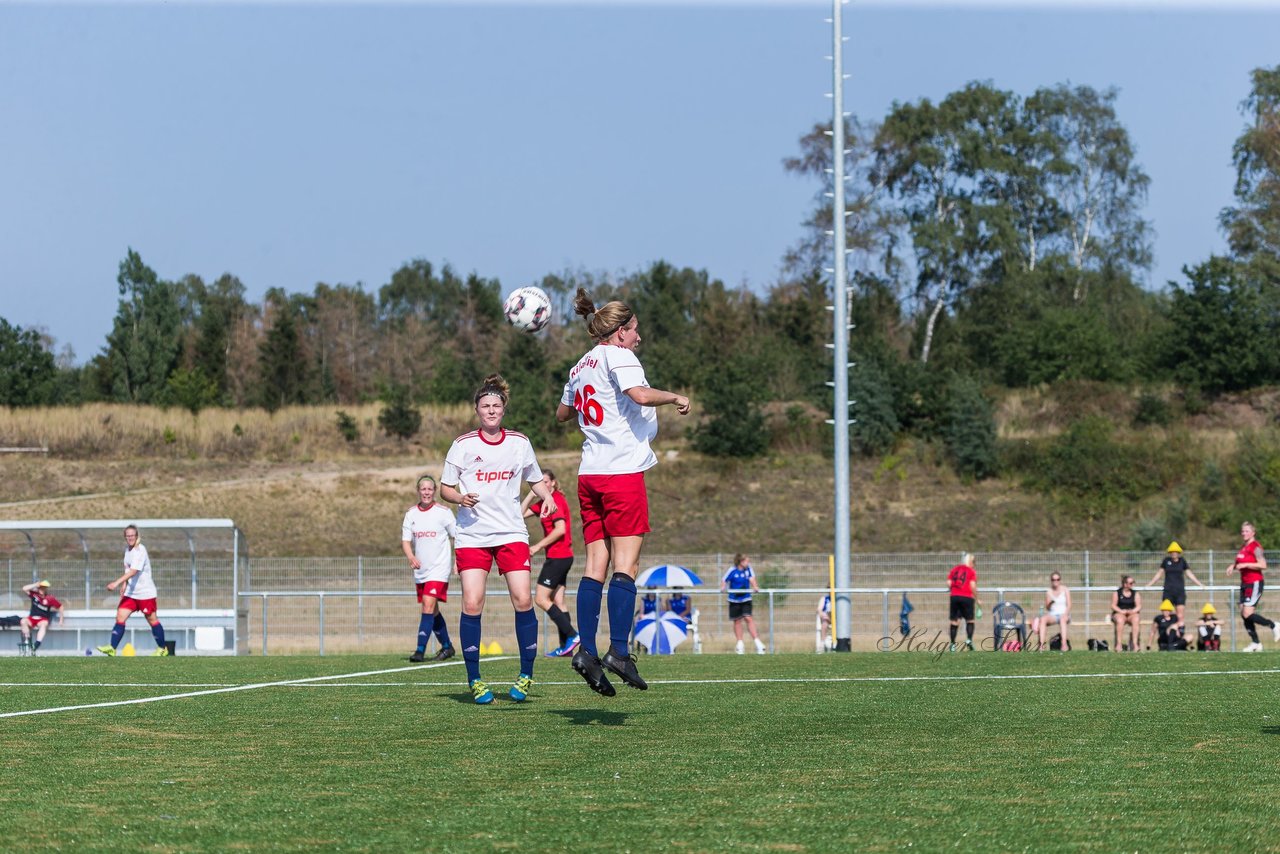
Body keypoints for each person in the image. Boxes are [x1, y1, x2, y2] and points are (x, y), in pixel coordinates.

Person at [556, 287, 691, 696]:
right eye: (633, 330)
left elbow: (562, 414)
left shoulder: (580, 366)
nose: (638, 338)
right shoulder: (619, 356)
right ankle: (618, 651)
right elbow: (639, 394)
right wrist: (675, 397)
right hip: (620, 473)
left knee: (595, 564)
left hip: (590, 473)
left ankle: (586, 652)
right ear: (617, 332)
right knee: (625, 567)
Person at [440, 374, 556, 704]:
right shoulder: (463, 445)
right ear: (477, 410)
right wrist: (459, 498)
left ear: (503, 409)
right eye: (485, 406)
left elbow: (535, 480)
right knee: (472, 603)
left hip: (510, 532)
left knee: (522, 599)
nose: (491, 410)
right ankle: (475, 679)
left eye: (496, 405)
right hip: (472, 535)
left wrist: (545, 496)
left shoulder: (519, 443)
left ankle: (525, 675)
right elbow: (446, 487)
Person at [521, 470, 580, 658]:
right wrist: (532, 491)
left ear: (553, 483)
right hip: (561, 557)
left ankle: (572, 635)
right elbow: (519, 514)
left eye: (545, 482)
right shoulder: (543, 503)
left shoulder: (556, 501)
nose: (543, 485)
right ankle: (566, 649)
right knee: (559, 602)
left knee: (540, 599)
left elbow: (560, 529)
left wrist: (537, 546)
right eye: (540, 482)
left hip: (558, 557)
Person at [402, 474, 457, 663]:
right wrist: (411, 557)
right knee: (432, 610)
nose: (426, 492)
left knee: (427, 604)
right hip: (421, 571)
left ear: (434, 491)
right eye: (423, 489)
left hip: (439, 569)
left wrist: (459, 561)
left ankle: (419, 650)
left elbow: (458, 537)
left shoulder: (444, 513)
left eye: (430, 489)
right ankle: (447, 646)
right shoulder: (411, 514)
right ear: (418, 491)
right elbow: (406, 541)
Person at [97, 524, 169, 656]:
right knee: (120, 616)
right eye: (127, 535)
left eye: (132, 535)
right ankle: (112, 648)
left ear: (137, 536)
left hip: (145, 593)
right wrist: (124, 584)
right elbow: (128, 569)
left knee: (152, 620)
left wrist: (116, 583)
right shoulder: (127, 550)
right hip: (131, 593)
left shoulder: (140, 550)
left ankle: (163, 648)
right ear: (125, 537)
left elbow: (134, 571)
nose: (130, 538)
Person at [1225, 520, 1280, 652]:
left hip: (1254, 582)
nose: (1244, 533)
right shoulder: (1244, 547)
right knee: (1244, 613)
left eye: (1247, 531)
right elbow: (1239, 561)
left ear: (1253, 533)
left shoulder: (1256, 547)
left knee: (1247, 612)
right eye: (1242, 531)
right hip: (1244, 583)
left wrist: (1245, 565)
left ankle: (1274, 625)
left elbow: (1263, 565)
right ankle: (1255, 642)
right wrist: (1233, 566)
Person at [1146, 541, 1204, 630]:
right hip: (1168, 592)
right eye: (1172, 552)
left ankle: (1179, 635)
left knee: (1180, 615)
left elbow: (1189, 573)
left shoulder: (1182, 561)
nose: (1173, 553)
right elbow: (1159, 573)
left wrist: (1199, 584)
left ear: (1178, 552)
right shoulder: (1166, 561)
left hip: (1179, 592)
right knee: (1167, 615)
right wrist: (1150, 584)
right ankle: (1168, 634)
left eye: (1175, 552)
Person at [721, 553, 766, 654]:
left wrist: (755, 586)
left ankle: (758, 643)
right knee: (737, 621)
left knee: (748, 618)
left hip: (746, 598)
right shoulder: (732, 570)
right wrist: (723, 587)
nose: (748, 563)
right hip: (734, 599)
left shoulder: (748, 569)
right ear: (740, 562)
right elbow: (724, 580)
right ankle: (740, 644)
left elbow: (752, 579)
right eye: (746, 561)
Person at [19, 580, 63, 655]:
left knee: (44, 624)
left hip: (42, 619)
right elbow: (24, 588)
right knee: (23, 621)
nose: (41, 589)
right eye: (40, 587)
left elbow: (60, 606)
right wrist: (35, 584)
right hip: (32, 618)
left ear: (46, 589)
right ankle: (28, 642)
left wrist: (61, 620)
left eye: (43, 588)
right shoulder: (34, 595)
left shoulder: (50, 598)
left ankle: (36, 645)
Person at [946, 553, 979, 652]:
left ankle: (952, 644)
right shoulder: (971, 571)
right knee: (970, 620)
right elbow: (972, 585)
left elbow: (949, 582)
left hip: (954, 597)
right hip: (967, 597)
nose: (974, 564)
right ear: (969, 562)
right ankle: (969, 640)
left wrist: (955, 589)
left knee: (954, 621)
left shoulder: (955, 569)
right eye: (974, 562)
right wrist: (977, 599)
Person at [1031, 572, 1071, 651]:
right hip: (1053, 615)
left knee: (1062, 619)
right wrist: (1050, 603)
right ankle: (1041, 646)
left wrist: (1065, 614)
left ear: (1060, 580)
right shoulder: (1049, 592)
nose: (1055, 581)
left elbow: (1069, 604)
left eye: (1057, 579)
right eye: (1053, 579)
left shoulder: (1065, 589)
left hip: (1064, 614)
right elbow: (1048, 608)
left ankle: (1064, 645)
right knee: (1043, 619)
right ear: (1051, 580)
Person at [1110, 575, 1143, 652]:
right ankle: (1118, 644)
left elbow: (1139, 606)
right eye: (1131, 583)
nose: (1132, 585)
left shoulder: (1135, 594)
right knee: (1120, 620)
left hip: (1131, 613)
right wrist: (1122, 611)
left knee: (1136, 619)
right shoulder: (1117, 593)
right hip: (1120, 613)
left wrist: (1133, 611)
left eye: (1133, 583)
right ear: (1125, 584)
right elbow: (1113, 605)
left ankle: (1135, 645)